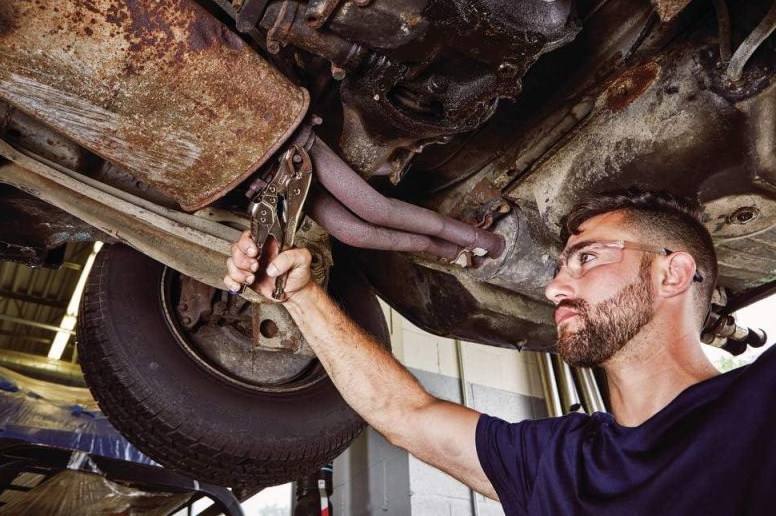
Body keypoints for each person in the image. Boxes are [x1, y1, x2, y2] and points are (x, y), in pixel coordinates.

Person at [224, 188, 776, 514]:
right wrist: (298, 293)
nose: (554, 288)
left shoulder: (760, 408)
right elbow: (405, 415)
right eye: (560, 267)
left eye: (586, 258)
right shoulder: (560, 462)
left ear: (672, 272)